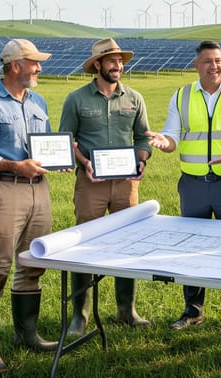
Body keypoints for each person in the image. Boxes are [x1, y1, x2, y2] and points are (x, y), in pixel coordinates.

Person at [146, 40, 221, 337]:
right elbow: (172, 136)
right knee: (191, 248)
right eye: (208, 61)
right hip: (193, 184)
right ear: (196, 65)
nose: (215, 66)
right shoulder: (182, 95)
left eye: (219, 60)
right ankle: (193, 311)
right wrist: (164, 142)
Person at [0, 39, 59, 373]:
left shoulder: (38, 101)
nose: (40, 68)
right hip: (5, 190)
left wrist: (58, 157)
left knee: (33, 262)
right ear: (16, 65)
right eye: (35, 63)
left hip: (39, 191)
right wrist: (15, 166)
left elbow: (46, 144)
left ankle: (26, 335)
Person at [59, 38, 153, 336]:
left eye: (120, 61)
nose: (118, 66)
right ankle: (80, 316)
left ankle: (127, 310)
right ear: (97, 65)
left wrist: (141, 160)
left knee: (128, 243)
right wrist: (85, 162)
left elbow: (143, 137)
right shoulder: (76, 99)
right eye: (112, 60)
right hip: (91, 184)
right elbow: (66, 139)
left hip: (126, 184)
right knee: (83, 245)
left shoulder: (135, 98)